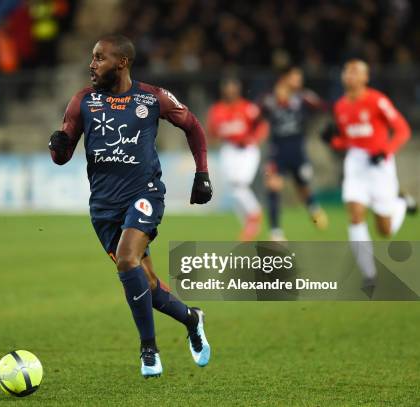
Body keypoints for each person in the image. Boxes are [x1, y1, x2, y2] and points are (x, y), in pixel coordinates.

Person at [48, 35, 213, 378]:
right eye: (92, 58)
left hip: (145, 194)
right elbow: (61, 157)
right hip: (103, 208)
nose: (92, 65)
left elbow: (193, 125)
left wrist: (202, 174)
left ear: (122, 62)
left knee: (126, 259)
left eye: (99, 58)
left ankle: (148, 350)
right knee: (146, 283)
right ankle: (191, 318)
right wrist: (58, 144)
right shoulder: (83, 102)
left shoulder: (151, 97)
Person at [322, 59, 416, 289]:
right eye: (346, 71)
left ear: (366, 77)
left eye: (355, 72)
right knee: (355, 215)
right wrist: (332, 141)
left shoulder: (377, 101)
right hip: (355, 162)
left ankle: (401, 202)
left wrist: (386, 151)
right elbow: (347, 139)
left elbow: (403, 130)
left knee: (384, 230)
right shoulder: (341, 105)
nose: (349, 75)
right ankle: (369, 275)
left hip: (380, 164)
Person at [260, 66, 329, 241]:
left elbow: (323, 107)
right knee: (273, 187)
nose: (299, 81)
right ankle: (276, 232)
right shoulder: (269, 99)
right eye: (296, 77)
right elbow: (256, 114)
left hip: (298, 151)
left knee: (302, 186)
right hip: (277, 151)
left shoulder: (304, 97)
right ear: (284, 78)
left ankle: (313, 208)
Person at [206, 77, 268, 240]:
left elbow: (263, 126)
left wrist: (254, 138)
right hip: (228, 149)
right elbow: (212, 132)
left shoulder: (248, 107)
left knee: (240, 183)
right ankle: (248, 226)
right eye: (228, 88)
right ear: (223, 90)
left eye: (233, 87)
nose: (230, 91)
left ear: (238, 89)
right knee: (233, 190)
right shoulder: (217, 109)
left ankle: (254, 214)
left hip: (247, 149)